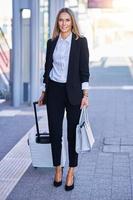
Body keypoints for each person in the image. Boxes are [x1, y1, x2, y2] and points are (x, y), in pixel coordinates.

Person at [38, 7, 90, 191]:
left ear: (72, 22)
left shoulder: (80, 42)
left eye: (67, 20)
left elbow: (84, 71)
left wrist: (85, 95)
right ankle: (58, 169)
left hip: (74, 92)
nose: (64, 23)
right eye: (61, 20)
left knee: (72, 134)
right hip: (54, 91)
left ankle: (71, 171)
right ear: (57, 23)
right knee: (55, 133)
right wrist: (44, 92)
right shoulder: (51, 42)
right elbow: (47, 69)